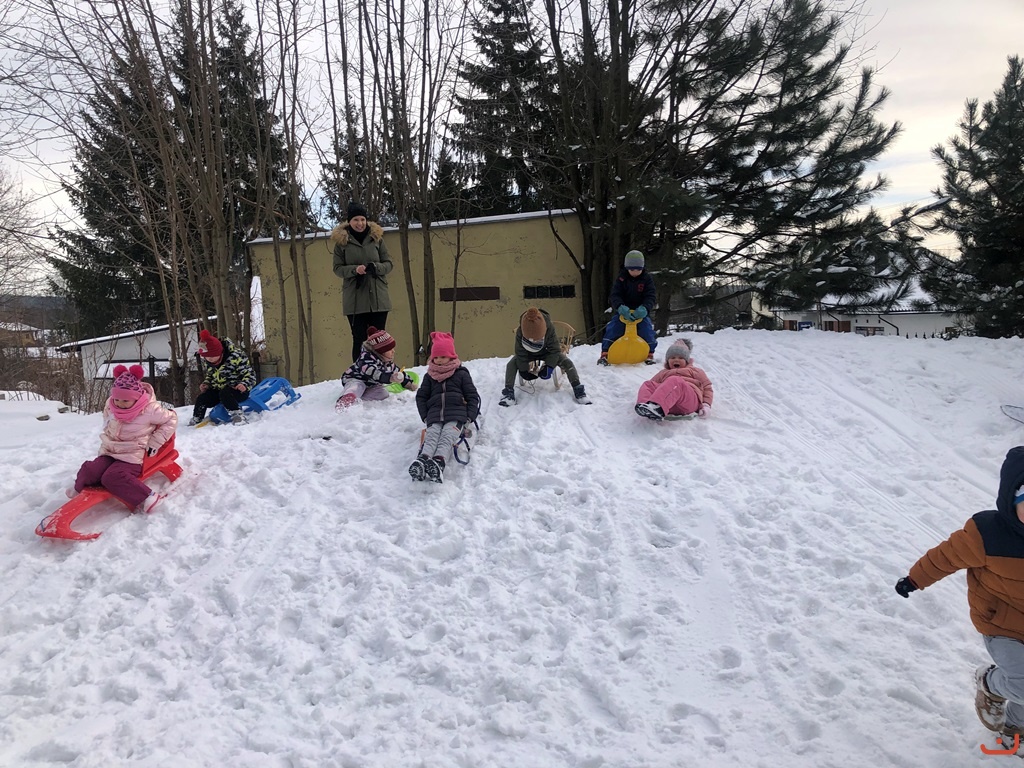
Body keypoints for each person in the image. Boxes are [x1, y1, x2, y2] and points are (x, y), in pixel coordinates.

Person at [894, 446, 1024, 750]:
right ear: (1012, 500)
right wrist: (914, 579)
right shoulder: (987, 534)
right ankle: (990, 683)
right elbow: (945, 557)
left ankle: (1015, 727)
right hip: (1001, 627)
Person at [72, 364, 177, 513]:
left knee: (112, 477)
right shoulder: (111, 405)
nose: (120, 404)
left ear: (136, 398)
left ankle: (148, 498)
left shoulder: (149, 409)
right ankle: (79, 490)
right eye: (117, 399)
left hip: (133, 455)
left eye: (126, 401)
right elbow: (107, 421)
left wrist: (155, 442)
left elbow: (171, 419)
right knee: (89, 470)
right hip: (110, 451)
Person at [409, 331, 480, 484]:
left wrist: (469, 417)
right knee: (432, 435)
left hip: (456, 415)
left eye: (443, 356)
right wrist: (425, 416)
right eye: (436, 357)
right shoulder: (430, 376)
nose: (439, 360)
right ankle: (422, 460)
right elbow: (421, 397)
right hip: (435, 415)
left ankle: (438, 462)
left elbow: (472, 396)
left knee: (447, 436)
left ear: (451, 356)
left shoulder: (461, 374)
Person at [332, 201, 394, 362]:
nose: (360, 223)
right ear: (349, 222)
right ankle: (359, 372)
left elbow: (389, 264)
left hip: (378, 298)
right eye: (356, 220)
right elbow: (337, 268)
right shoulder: (341, 243)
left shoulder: (377, 239)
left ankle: (382, 371)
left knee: (379, 339)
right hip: (355, 299)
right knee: (359, 338)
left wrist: (376, 267)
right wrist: (354, 270)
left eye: (362, 219)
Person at [499, 307, 590, 407]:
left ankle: (578, 388)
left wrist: (549, 366)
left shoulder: (549, 328)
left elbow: (554, 350)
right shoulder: (520, 330)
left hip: (546, 352)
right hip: (527, 353)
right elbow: (520, 352)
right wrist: (523, 369)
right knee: (511, 364)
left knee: (567, 362)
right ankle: (508, 392)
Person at [598, 249, 657, 365]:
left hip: (640, 311)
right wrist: (620, 307)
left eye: (638, 270)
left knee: (646, 330)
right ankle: (605, 353)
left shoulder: (647, 279)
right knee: (613, 328)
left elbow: (650, 296)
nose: (635, 272)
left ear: (642, 268)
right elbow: (615, 295)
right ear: (627, 268)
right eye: (632, 270)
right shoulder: (621, 278)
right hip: (623, 311)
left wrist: (645, 308)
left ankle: (649, 354)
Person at [336, 326, 417, 410]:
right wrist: (390, 377)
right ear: (380, 351)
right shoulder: (366, 360)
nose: (393, 351)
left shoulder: (386, 362)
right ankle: (345, 401)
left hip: (371, 385)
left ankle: (360, 399)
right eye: (389, 349)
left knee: (383, 393)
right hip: (355, 379)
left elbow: (397, 371)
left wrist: (409, 384)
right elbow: (375, 374)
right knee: (357, 387)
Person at [190, 330, 258, 426]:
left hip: (237, 390)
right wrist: (207, 383)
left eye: (212, 356)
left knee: (225, 393)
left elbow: (250, 374)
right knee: (202, 398)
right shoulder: (209, 362)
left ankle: (238, 415)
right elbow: (211, 375)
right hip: (218, 391)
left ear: (220, 352)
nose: (210, 359)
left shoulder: (236, 357)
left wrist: (244, 384)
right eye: (207, 357)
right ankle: (197, 418)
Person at [634, 338, 713, 421]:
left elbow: (707, 388)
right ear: (668, 361)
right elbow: (652, 386)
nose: (676, 360)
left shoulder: (695, 371)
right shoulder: (663, 373)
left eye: (681, 358)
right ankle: (646, 406)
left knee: (675, 380)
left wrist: (706, 405)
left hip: (689, 401)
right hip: (669, 405)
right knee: (648, 384)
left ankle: (656, 407)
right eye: (672, 357)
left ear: (687, 361)